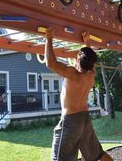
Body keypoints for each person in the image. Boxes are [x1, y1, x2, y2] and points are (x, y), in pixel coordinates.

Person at [45, 27, 113, 161]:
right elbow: (89, 59)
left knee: (59, 158)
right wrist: (87, 42)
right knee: (97, 154)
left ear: (77, 60)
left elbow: (50, 63)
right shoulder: (91, 75)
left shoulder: (73, 74)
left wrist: (49, 37)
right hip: (84, 118)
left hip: (71, 120)